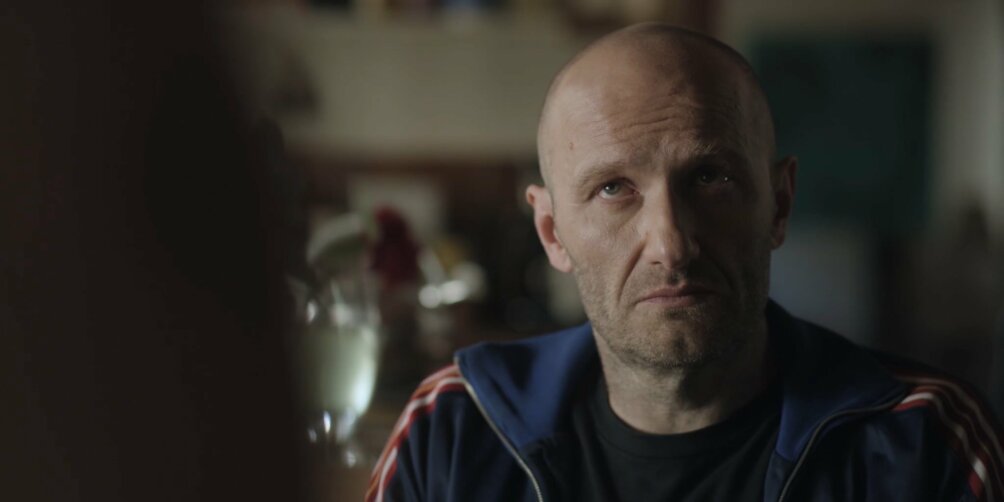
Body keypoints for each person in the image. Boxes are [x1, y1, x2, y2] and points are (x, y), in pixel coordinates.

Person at [365, 23, 1004, 501]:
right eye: (614, 189)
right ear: (552, 231)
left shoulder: (926, 444)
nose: (670, 244)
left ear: (778, 205)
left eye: (710, 178)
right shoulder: (450, 432)